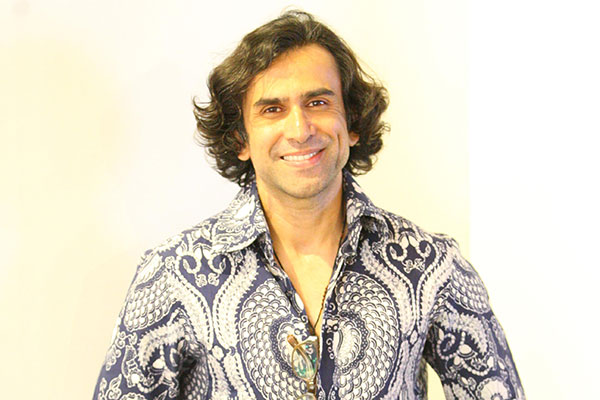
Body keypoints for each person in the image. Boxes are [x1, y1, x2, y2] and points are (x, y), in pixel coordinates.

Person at [93, 10, 524, 400]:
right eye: (272, 109)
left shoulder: (433, 266)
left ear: (351, 122)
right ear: (241, 139)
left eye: (318, 103)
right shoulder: (172, 274)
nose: (300, 130)